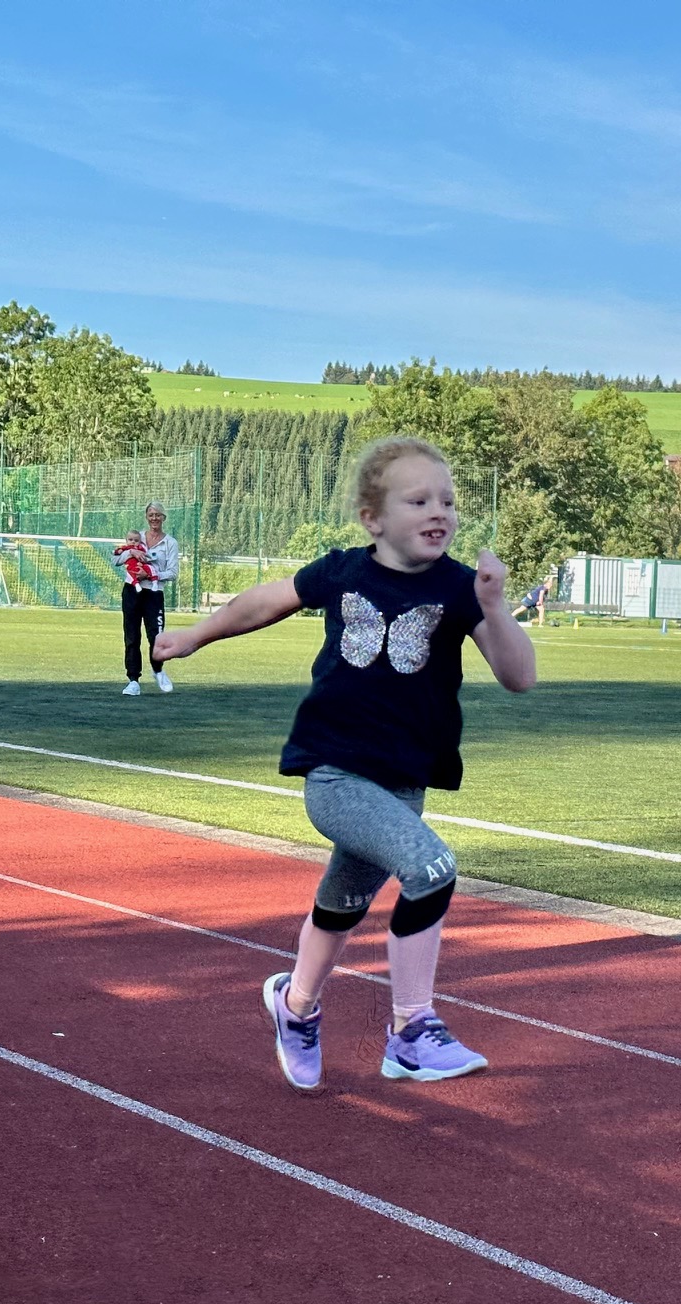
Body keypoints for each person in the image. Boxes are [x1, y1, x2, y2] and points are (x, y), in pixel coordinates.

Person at [153, 437, 536, 1093]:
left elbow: (519, 677)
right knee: (432, 868)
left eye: (446, 500)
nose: (437, 511)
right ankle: (413, 1030)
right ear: (373, 518)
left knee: (345, 903)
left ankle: (294, 1005)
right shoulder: (343, 572)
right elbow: (265, 601)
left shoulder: (458, 589)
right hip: (334, 773)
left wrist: (495, 608)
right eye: (418, 500)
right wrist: (194, 635)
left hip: (405, 781)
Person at [116, 503, 179, 695]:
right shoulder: (136, 537)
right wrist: (131, 552)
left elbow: (173, 572)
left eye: (158, 515)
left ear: (163, 518)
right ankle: (133, 680)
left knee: (156, 638)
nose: (154, 519)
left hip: (153, 594)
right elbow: (116, 559)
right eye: (151, 515)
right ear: (146, 517)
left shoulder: (170, 543)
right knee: (132, 636)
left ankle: (158, 671)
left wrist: (151, 574)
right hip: (132, 592)